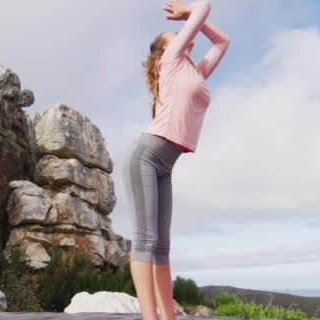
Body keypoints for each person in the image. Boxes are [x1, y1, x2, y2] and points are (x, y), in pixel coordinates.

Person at [121, 1, 229, 319]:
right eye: (175, 35)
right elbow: (204, 6)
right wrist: (188, 13)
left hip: (165, 165)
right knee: (146, 240)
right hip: (146, 156)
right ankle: (149, 317)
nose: (182, 36)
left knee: (162, 246)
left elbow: (223, 42)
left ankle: (169, 316)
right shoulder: (171, 60)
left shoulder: (194, 71)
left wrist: (194, 20)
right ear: (163, 52)